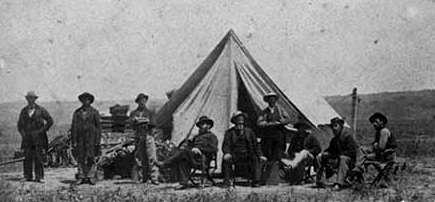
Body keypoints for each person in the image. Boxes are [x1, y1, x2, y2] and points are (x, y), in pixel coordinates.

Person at [157, 116, 218, 190]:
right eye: (200, 125)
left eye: (204, 124)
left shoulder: (212, 137)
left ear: (209, 126)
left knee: (184, 153)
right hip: (193, 157)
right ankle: (183, 183)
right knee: (183, 159)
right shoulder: (197, 137)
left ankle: (165, 164)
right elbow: (190, 146)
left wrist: (200, 149)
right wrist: (188, 143)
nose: (201, 126)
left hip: (203, 159)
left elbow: (213, 149)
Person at [222, 111, 267, 187]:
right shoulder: (229, 132)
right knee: (226, 159)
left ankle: (256, 181)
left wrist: (260, 155)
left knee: (256, 158)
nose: (240, 121)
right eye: (238, 119)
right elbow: (226, 145)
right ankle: (227, 181)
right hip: (235, 154)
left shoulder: (250, 132)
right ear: (235, 121)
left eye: (242, 119)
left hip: (247, 154)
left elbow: (256, 145)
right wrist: (227, 153)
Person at [17, 91, 53, 183]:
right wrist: (23, 134)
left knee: (39, 157)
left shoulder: (41, 110)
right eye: (29, 98)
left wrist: (42, 131)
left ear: (35, 99)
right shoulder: (24, 111)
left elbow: (50, 121)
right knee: (27, 157)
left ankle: (39, 177)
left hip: (39, 138)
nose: (30, 100)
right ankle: (27, 176)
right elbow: (19, 125)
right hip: (27, 138)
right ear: (27, 99)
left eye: (32, 98)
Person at [316, 117, 358, 190]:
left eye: (335, 126)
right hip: (337, 160)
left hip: (349, 162)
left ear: (341, 126)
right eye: (332, 127)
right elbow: (330, 150)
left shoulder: (347, 137)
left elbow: (352, 152)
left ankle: (339, 184)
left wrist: (336, 155)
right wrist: (325, 153)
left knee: (343, 158)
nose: (333, 129)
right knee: (319, 157)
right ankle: (320, 182)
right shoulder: (334, 140)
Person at [71, 92, 102, 185]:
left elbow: (98, 127)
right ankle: (81, 176)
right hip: (80, 139)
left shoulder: (94, 112)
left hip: (91, 139)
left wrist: (97, 140)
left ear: (90, 101)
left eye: (88, 99)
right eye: (84, 99)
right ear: (81, 101)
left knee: (91, 157)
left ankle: (91, 176)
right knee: (80, 157)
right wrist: (74, 140)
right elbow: (74, 127)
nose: (86, 101)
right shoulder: (77, 113)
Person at [129, 93, 160, 185]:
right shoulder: (133, 113)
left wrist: (145, 121)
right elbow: (131, 125)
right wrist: (135, 121)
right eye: (140, 100)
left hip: (148, 135)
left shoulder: (150, 112)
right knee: (140, 157)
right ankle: (142, 177)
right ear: (137, 102)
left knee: (152, 157)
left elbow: (154, 124)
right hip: (139, 136)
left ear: (146, 101)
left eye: (144, 100)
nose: (142, 102)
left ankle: (154, 178)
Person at [257, 92, 290, 161]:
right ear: (268, 101)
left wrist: (282, 122)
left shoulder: (280, 110)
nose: (272, 101)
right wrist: (268, 124)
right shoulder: (264, 112)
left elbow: (288, 119)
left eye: (273, 99)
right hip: (268, 135)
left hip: (279, 135)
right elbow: (259, 123)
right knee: (269, 154)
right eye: (270, 99)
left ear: (275, 100)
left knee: (278, 153)